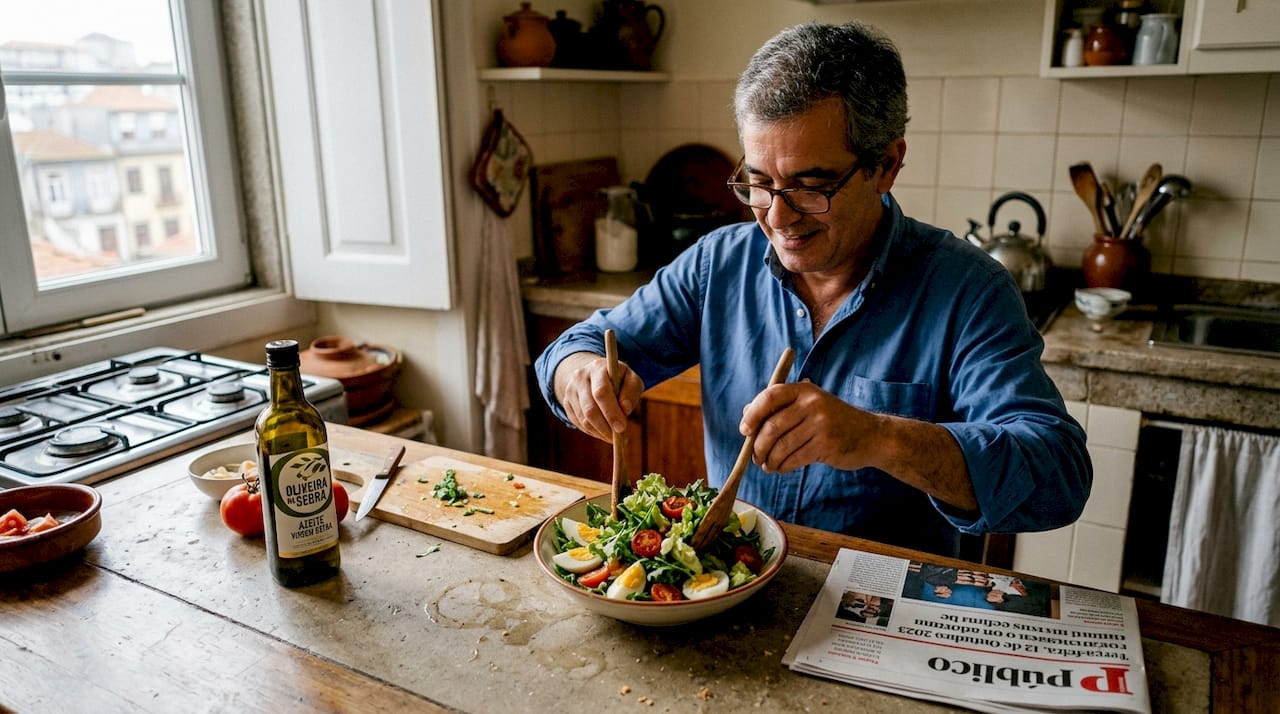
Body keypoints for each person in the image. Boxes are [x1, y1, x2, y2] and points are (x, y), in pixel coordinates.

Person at [534, 21, 1091, 558]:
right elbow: (577, 346)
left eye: (811, 185)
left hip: (879, 613)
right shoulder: (719, 263)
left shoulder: (967, 290)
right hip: (733, 587)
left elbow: (1058, 474)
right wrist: (578, 375)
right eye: (758, 182)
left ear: (887, 164)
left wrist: (877, 437)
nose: (777, 216)